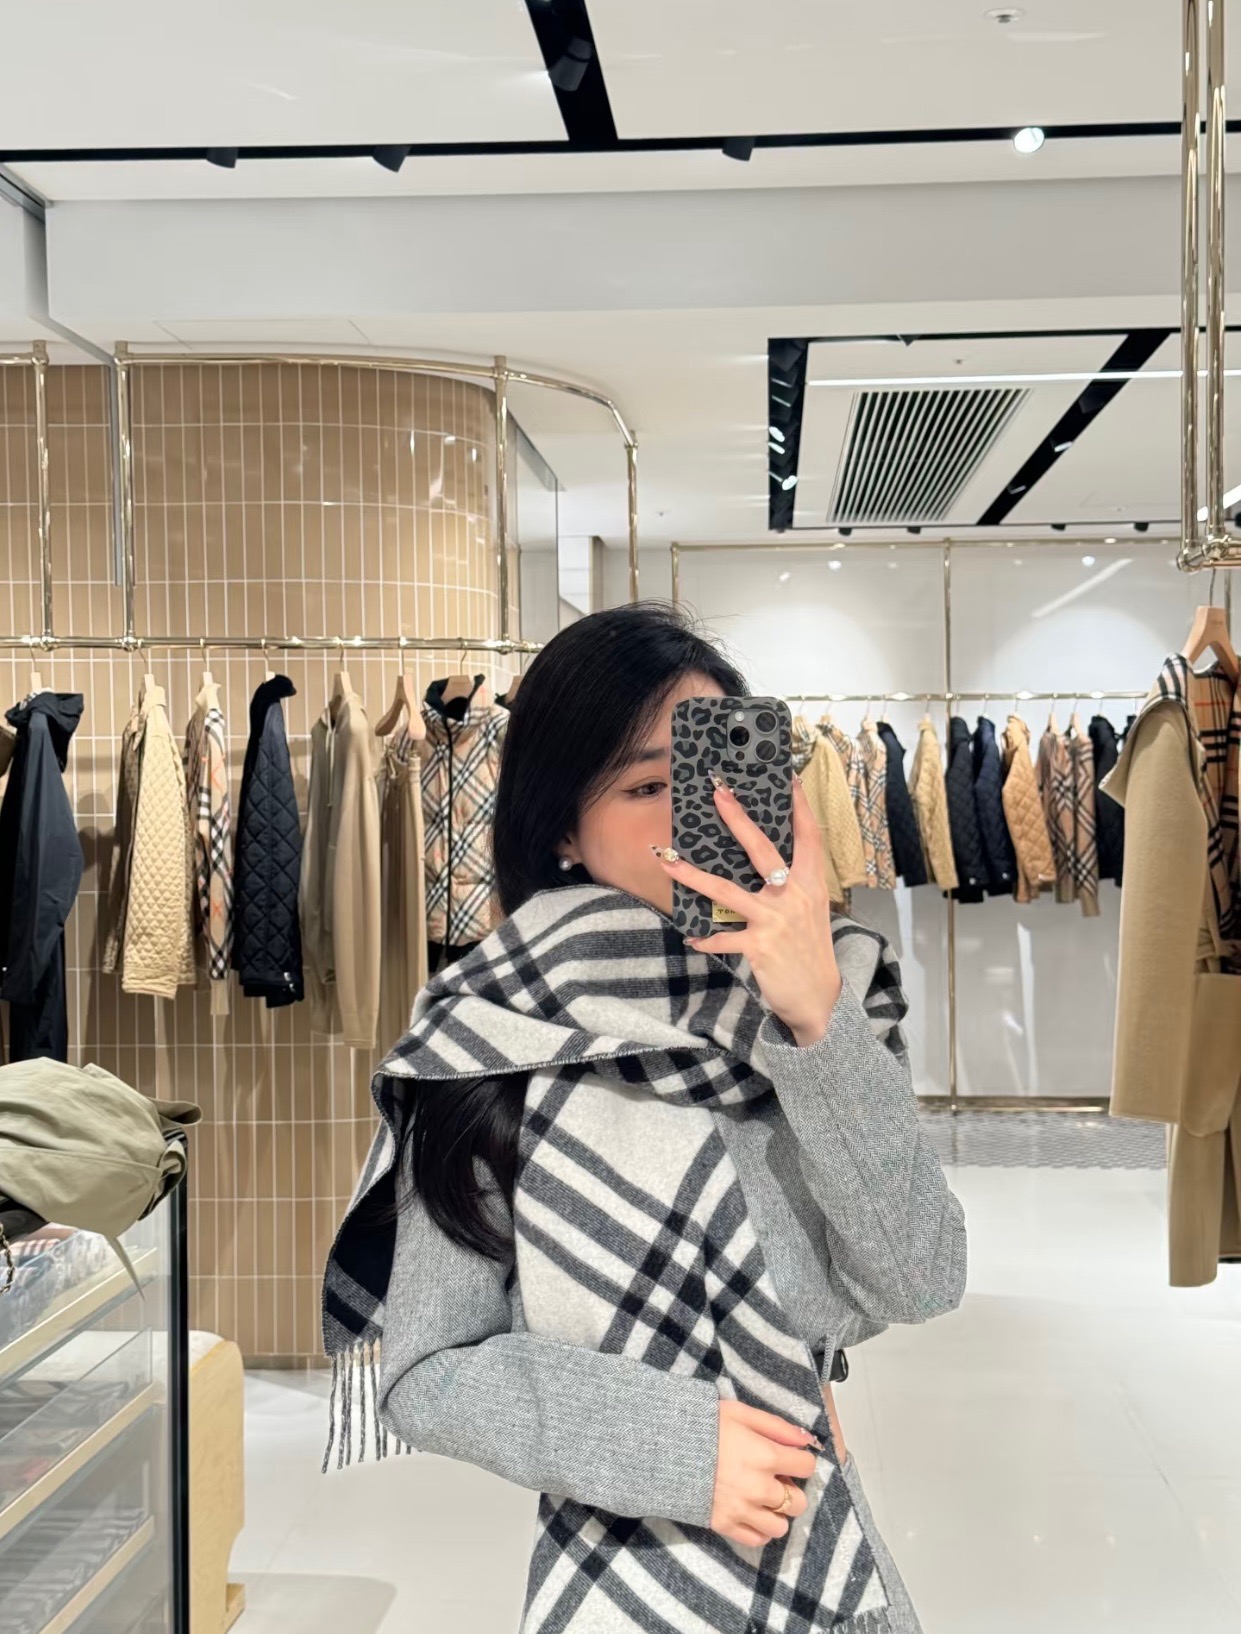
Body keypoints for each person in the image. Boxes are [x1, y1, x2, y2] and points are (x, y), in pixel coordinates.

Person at [321, 602, 967, 1634]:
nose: (698, 812)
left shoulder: (832, 993)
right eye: (645, 785)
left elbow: (919, 1276)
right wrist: (677, 1445)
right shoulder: (489, 1038)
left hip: (820, 1552)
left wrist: (813, 1020)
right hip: (619, 1568)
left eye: (719, 772)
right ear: (561, 827)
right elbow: (425, 1368)